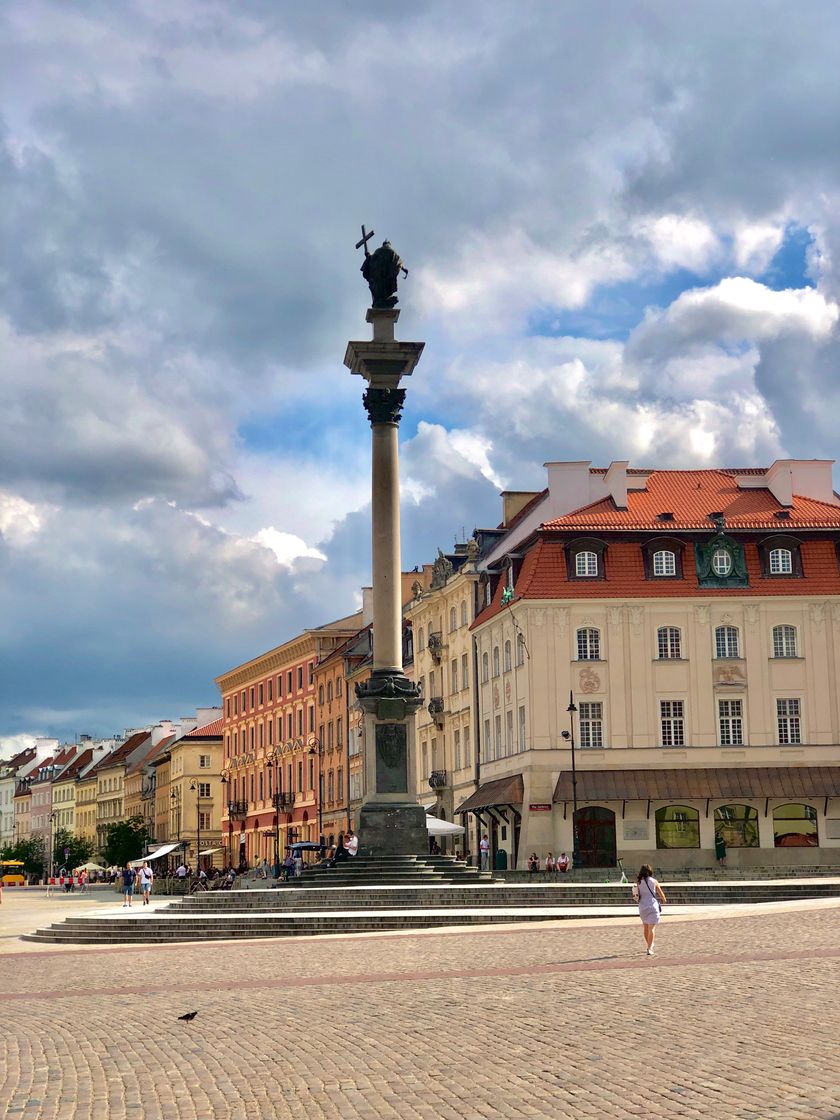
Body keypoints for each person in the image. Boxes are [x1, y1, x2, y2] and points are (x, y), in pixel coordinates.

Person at [633, 864, 667, 956]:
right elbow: (661, 893)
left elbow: (637, 895)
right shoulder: (654, 881)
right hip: (653, 906)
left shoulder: (638, 882)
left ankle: (649, 945)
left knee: (646, 927)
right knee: (651, 928)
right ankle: (650, 947)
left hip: (642, 907)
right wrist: (664, 900)